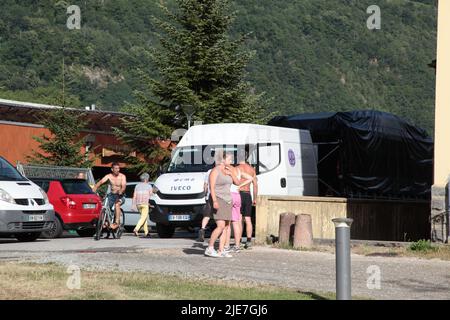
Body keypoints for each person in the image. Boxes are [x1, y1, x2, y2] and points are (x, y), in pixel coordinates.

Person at [204, 150, 240, 258]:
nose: (231, 161)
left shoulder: (228, 170)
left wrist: (232, 174)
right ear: (223, 160)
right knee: (220, 226)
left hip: (228, 200)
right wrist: (214, 201)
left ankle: (221, 250)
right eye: (229, 159)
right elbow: (212, 187)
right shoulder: (215, 171)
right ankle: (210, 248)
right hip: (218, 199)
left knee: (226, 227)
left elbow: (238, 183)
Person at [224, 164, 253, 253]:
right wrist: (240, 186)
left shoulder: (227, 170)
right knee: (238, 222)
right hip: (239, 196)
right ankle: (238, 245)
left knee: (227, 224)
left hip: (230, 195)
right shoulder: (239, 170)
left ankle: (226, 245)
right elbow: (251, 178)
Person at [93, 162, 127, 230]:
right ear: (112, 169)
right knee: (105, 206)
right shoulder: (109, 176)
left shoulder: (122, 176)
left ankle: (116, 223)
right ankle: (105, 221)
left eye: (118, 168)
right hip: (112, 195)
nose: (118, 170)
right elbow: (100, 182)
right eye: (116, 168)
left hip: (121, 195)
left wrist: (121, 191)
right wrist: (94, 188)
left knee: (117, 204)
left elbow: (123, 186)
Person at [237, 150, 258, 249]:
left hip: (239, 194)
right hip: (248, 194)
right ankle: (249, 241)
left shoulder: (237, 169)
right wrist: (255, 198)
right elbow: (255, 185)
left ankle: (239, 241)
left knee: (239, 219)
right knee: (248, 219)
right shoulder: (251, 169)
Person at [197, 162, 216, 242]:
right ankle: (220, 232)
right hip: (218, 197)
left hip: (209, 197)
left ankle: (202, 229)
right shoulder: (222, 171)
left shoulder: (209, 171)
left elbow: (205, 185)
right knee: (219, 216)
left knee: (207, 215)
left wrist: (205, 195)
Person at [132, 172, 153, 237]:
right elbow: (151, 195)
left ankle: (146, 232)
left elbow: (134, 195)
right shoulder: (149, 186)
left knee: (143, 218)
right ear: (146, 179)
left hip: (138, 204)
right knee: (143, 217)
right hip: (145, 204)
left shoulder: (137, 186)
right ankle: (136, 229)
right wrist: (151, 204)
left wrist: (133, 204)